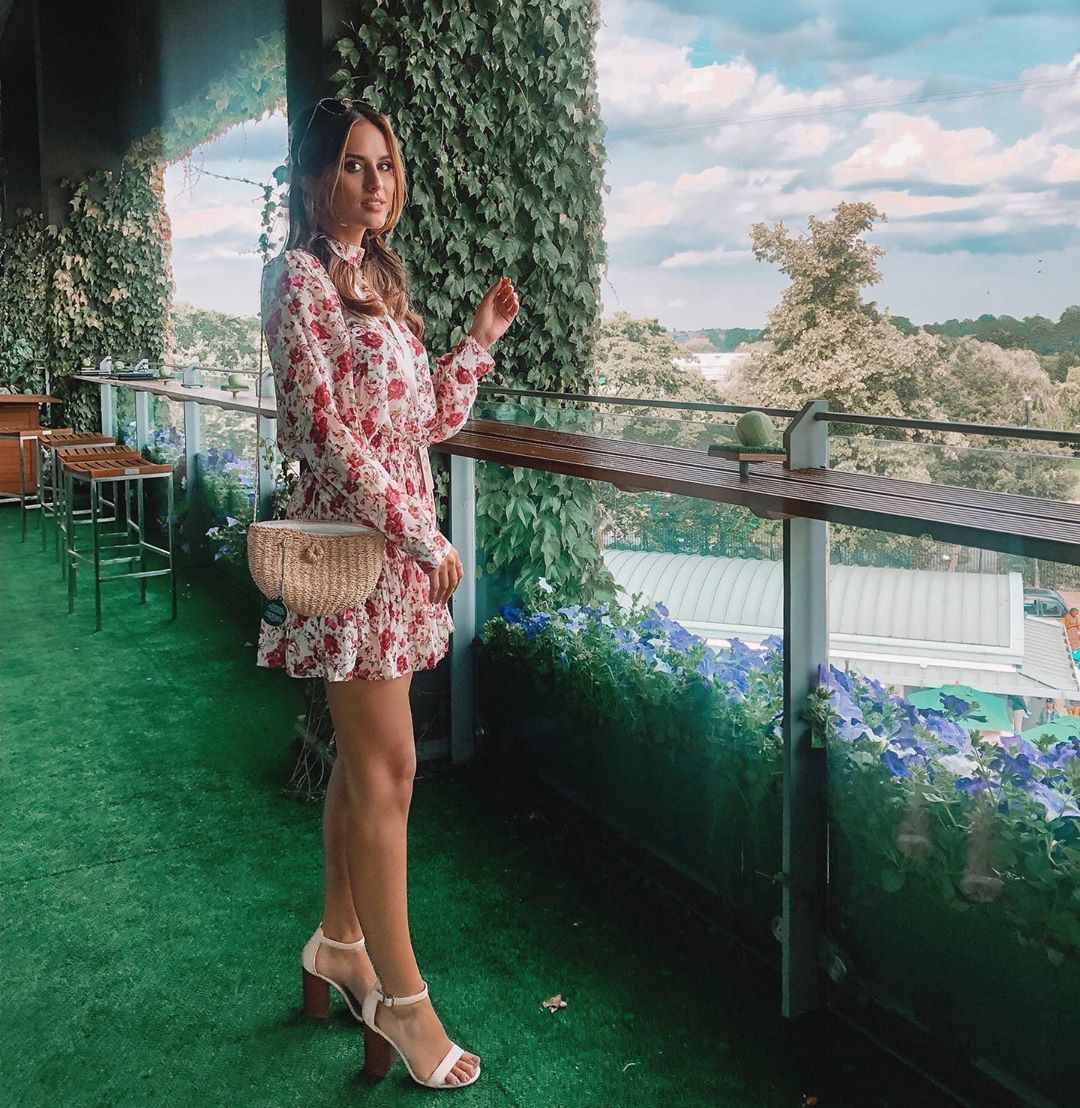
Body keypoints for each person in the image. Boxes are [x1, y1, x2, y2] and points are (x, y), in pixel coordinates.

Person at [257, 97, 520, 1090]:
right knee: (389, 766)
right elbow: (322, 429)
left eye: (384, 166)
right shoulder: (298, 278)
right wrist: (416, 530)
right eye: (354, 165)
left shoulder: (377, 279)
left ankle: (337, 942)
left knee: (372, 763)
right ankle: (402, 1001)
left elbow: (421, 421)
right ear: (314, 176)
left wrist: (478, 340)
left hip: (398, 554)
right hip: (357, 554)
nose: (375, 183)